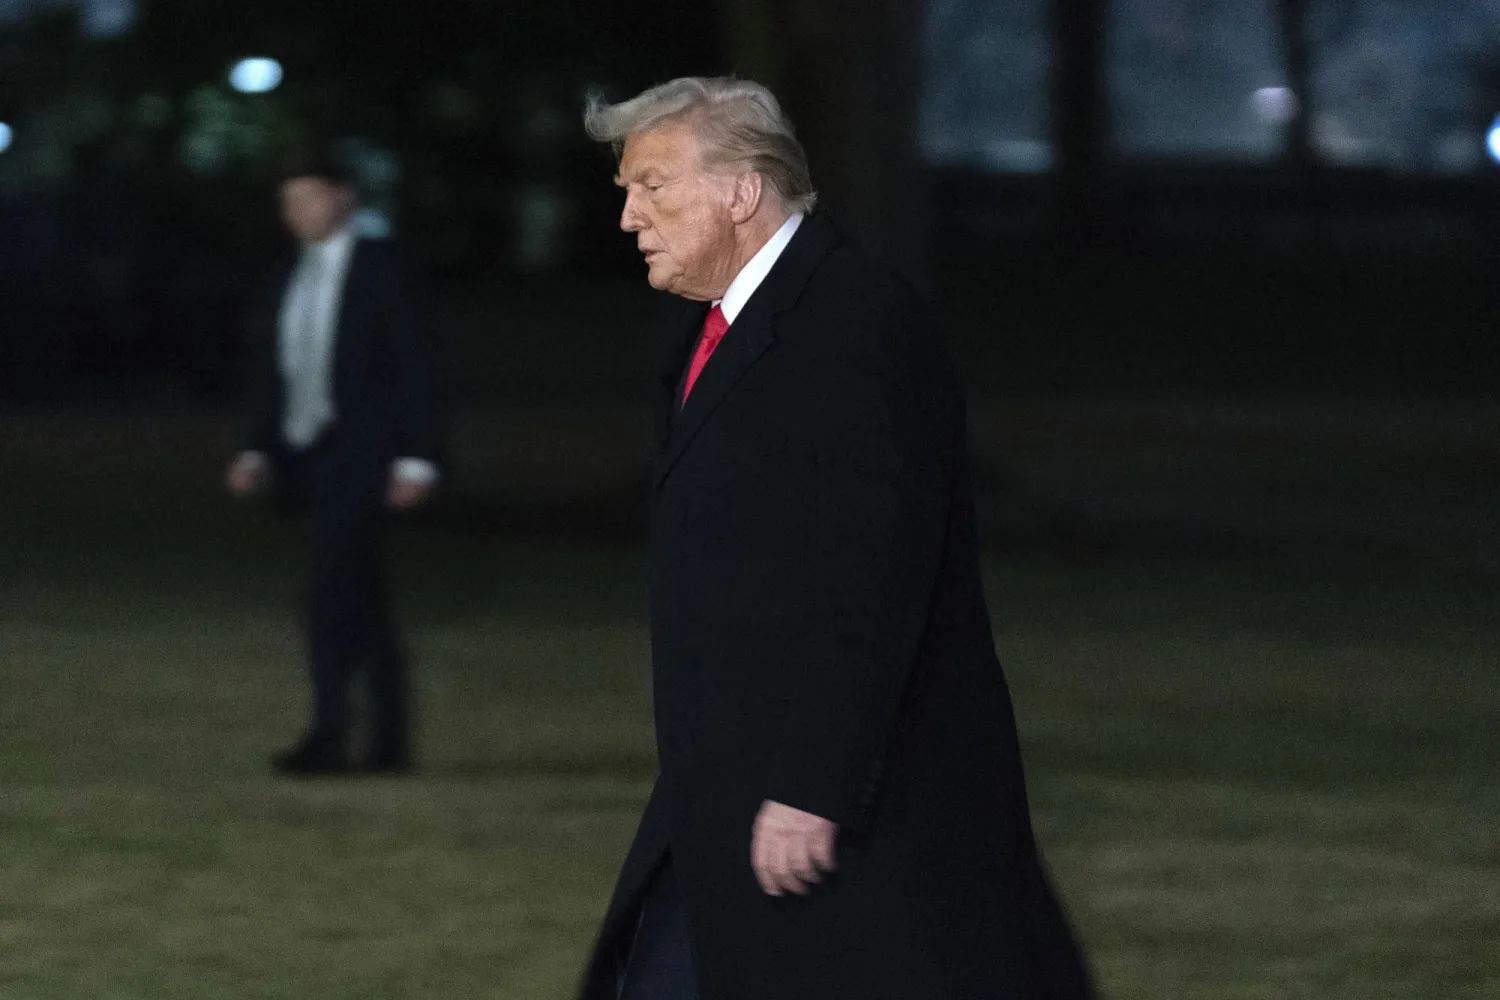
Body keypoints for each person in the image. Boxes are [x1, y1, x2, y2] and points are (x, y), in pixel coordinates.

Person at [576, 77, 1096, 1000]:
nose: (628, 216)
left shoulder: (856, 324)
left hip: (839, 804)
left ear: (741, 190)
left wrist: (814, 784)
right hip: (724, 790)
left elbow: (875, 572)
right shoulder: (709, 334)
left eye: (651, 186)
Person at [225, 151, 441, 776]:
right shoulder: (289, 274)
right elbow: (278, 370)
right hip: (308, 456)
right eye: (288, 202)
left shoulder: (384, 268)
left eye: (308, 198)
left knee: (330, 595)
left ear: (343, 197)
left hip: (362, 454)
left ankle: (331, 730)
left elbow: (415, 365)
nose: (296, 213)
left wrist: (418, 458)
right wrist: (257, 448)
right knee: (359, 598)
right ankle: (386, 740)